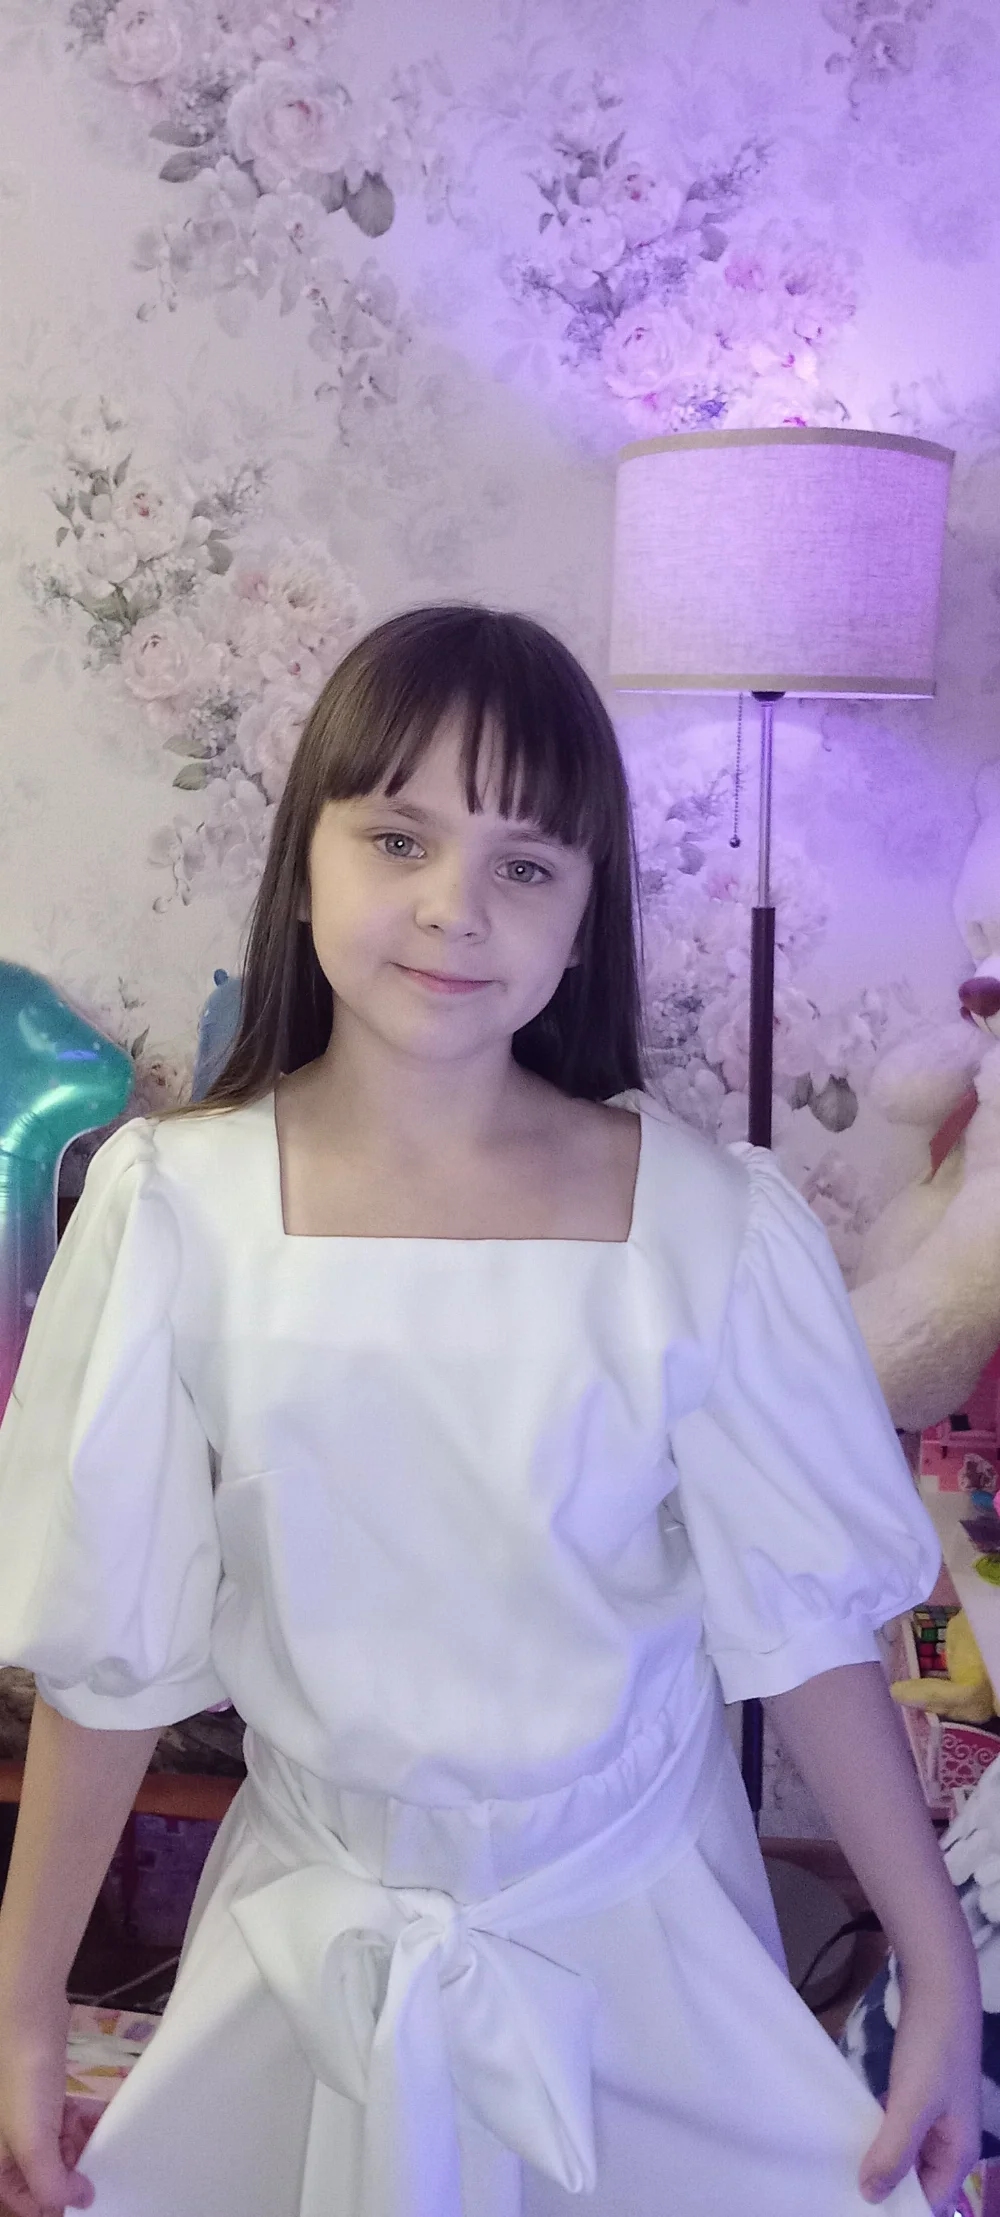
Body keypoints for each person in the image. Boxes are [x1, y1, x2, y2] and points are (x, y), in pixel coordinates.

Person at [0, 604, 981, 2217]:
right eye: (399, 839)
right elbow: (109, 1651)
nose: (455, 906)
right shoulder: (175, 1209)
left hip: (640, 1947)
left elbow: (802, 1634)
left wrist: (933, 1961)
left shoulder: (703, 1227)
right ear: (305, 861)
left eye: (525, 864)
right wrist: (28, 1995)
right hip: (309, 1948)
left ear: (586, 918)